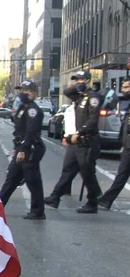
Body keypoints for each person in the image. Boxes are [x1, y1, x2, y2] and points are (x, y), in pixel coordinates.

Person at [44, 70, 102, 213]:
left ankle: (93, 201)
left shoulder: (93, 97)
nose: (78, 82)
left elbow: (93, 120)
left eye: (81, 80)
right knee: (67, 170)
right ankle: (55, 196)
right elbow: (67, 92)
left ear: (87, 81)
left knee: (87, 172)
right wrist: (74, 86)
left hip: (87, 141)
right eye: (76, 80)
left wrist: (80, 132)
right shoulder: (79, 97)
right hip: (75, 140)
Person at [0, 80, 46, 219]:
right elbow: (18, 130)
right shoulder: (23, 108)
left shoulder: (33, 109)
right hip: (21, 147)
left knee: (33, 181)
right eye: (21, 90)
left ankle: (38, 211)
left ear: (32, 93)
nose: (22, 93)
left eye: (25, 90)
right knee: (11, 178)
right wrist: (17, 148)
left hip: (30, 149)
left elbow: (30, 132)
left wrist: (23, 150)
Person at [98, 79, 130, 209]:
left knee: (122, 174)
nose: (124, 90)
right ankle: (107, 200)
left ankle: (107, 199)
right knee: (122, 174)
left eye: (127, 87)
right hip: (128, 145)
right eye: (123, 87)